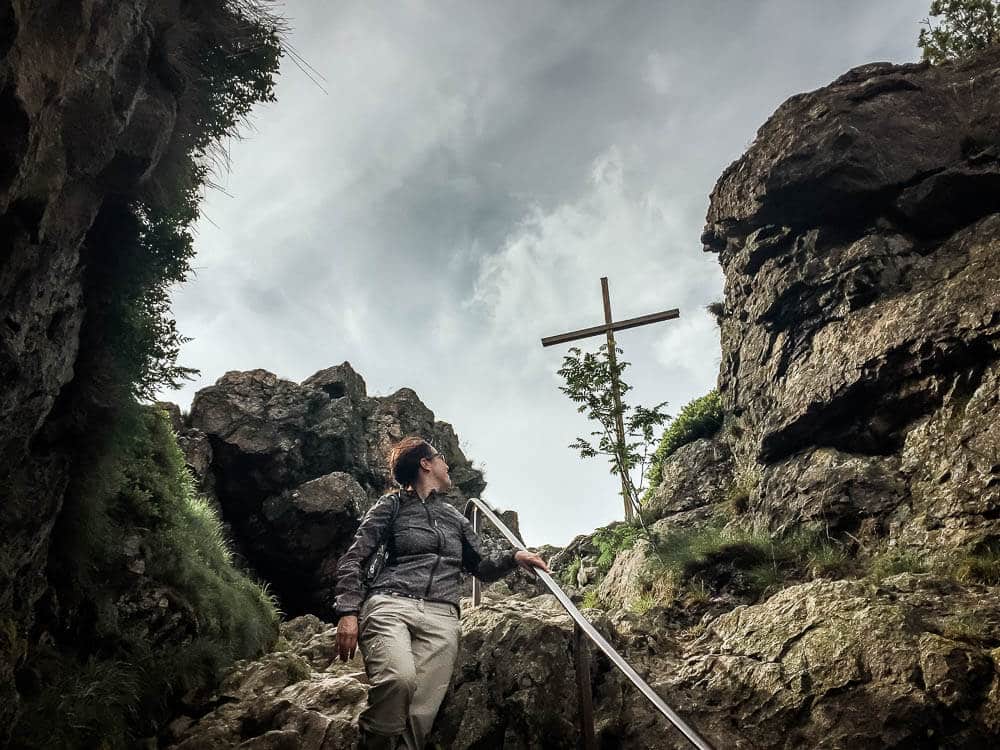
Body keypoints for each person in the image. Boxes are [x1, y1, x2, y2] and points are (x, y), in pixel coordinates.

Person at [333, 436, 549, 750]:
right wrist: (348, 612)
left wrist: (514, 557)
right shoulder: (391, 506)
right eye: (441, 458)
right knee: (398, 679)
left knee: (420, 715)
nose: (447, 465)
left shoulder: (455, 518)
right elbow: (354, 557)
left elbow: (482, 565)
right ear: (426, 464)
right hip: (390, 603)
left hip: (442, 616)